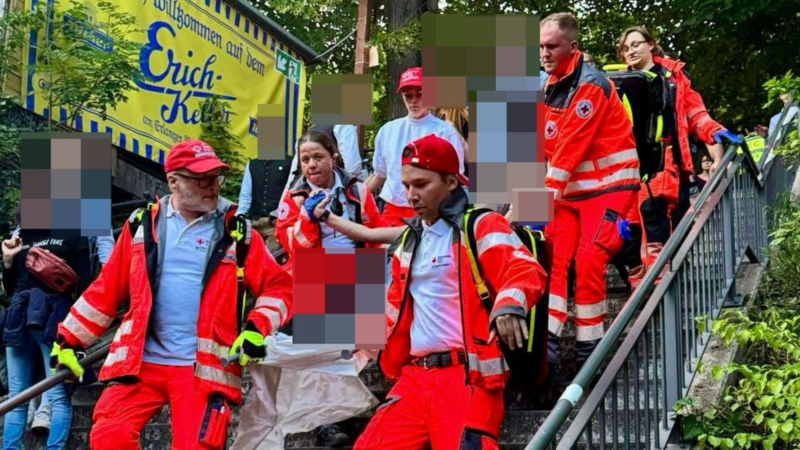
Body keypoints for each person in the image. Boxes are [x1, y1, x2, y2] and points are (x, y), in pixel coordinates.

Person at [51, 139, 294, 450]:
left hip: (203, 370)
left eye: (215, 177)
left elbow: (279, 287)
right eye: (200, 178)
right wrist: (67, 341)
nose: (212, 186)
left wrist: (256, 329)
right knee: (108, 438)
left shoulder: (237, 230)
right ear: (173, 181)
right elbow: (105, 291)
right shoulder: (141, 225)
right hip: (140, 364)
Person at [354, 134, 547, 450]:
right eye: (406, 186)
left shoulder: (482, 224)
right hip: (414, 378)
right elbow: (394, 308)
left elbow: (524, 269)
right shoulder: (408, 242)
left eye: (421, 184)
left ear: (451, 182)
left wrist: (509, 305)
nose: (411, 195)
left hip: (468, 377)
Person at [274, 129, 386, 447]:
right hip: (315, 274)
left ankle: (343, 413)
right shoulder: (294, 197)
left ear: (333, 157)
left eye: (317, 157)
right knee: (324, 355)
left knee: (353, 354)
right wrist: (308, 219)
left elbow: (375, 232)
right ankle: (327, 424)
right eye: (305, 159)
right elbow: (288, 242)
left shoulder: (357, 190)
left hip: (359, 273)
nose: (311, 164)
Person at [540, 13, 641, 369]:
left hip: (610, 190)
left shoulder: (591, 87)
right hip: (571, 195)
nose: (544, 53)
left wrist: (530, 208)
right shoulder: (549, 88)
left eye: (551, 46)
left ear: (572, 47)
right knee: (554, 255)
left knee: (588, 259)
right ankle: (547, 345)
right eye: (541, 46)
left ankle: (590, 350)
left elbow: (569, 150)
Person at [617, 26, 740, 268]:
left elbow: (696, 115)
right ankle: (654, 289)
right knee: (645, 230)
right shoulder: (619, 84)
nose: (630, 51)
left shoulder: (674, 78)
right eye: (625, 48)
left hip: (672, 164)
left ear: (650, 44)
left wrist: (716, 140)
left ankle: (667, 284)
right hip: (634, 168)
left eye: (635, 44)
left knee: (672, 227)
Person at [1, 204, 91, 450]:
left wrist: (81, 325)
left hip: (56, 319)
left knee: (58, 393)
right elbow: (12, 288)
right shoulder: (21, 237)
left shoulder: (74, 232)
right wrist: (8, 261)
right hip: (20, 317)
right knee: (19, 395)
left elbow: (86, 282)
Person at [365, 67, 466, 226]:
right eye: (408, 95)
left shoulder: (445, 132)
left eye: (419, 94)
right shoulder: (387, 131)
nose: (413, 100)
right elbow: (379, 174)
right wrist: (351, 197)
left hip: (433, 212)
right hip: (393, 211)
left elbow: (455, 178)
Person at [236, 156, 293, 253]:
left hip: (275, 223)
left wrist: (280, 217)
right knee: (245, 256)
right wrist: (238, 218)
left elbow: (291, 192)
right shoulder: (252, 164)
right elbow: (245, 197)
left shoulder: (290, 162)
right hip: (254, 221)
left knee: (272, 256)